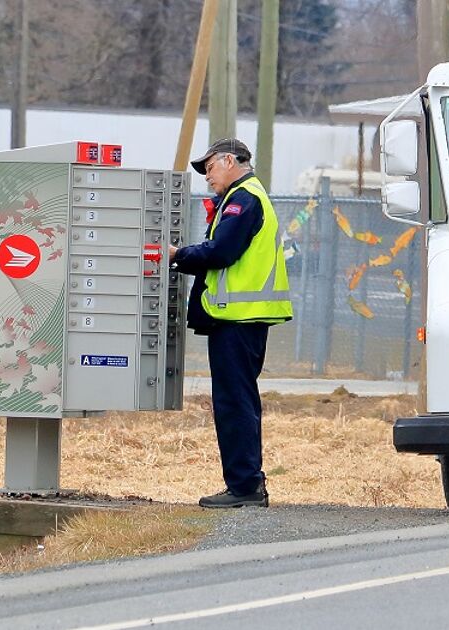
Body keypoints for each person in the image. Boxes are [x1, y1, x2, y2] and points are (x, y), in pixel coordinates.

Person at [169, 138, 293, 508]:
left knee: (234, 402)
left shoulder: (243, 199)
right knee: (238, 400)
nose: (207, 177)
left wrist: (178, 255)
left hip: (237, 318)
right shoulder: (244, 197)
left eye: (209, 168)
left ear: (228, 161)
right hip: (240, 317)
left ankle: (244, 487)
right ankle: (245, 484)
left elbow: (221, 252)